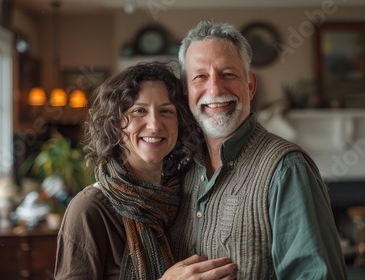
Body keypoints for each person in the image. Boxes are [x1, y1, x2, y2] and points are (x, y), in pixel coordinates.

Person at [167, 21, 348, 279]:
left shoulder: (287, 169)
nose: (215, 89)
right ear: (186, 92)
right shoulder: (179, 167)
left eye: (228, 74)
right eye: (200, 77)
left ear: (250, 86)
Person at [54, 61, 238, 280]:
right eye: (139, 110)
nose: (154, 124)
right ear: (115, 124)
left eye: (166, 111)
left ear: (180, 123)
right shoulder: (89, 209)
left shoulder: (186, 196)